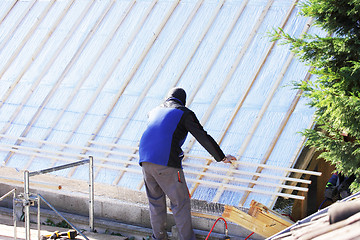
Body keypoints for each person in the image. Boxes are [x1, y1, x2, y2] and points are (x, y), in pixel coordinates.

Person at [139, 87, 236, 240]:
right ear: (183, 101)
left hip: (145, 160)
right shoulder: (183, 113)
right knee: (180, 203)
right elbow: (202, 136)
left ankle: (158, 238)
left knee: (155, 202)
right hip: (166, 162)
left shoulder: (154, 111)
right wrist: (221, 157)